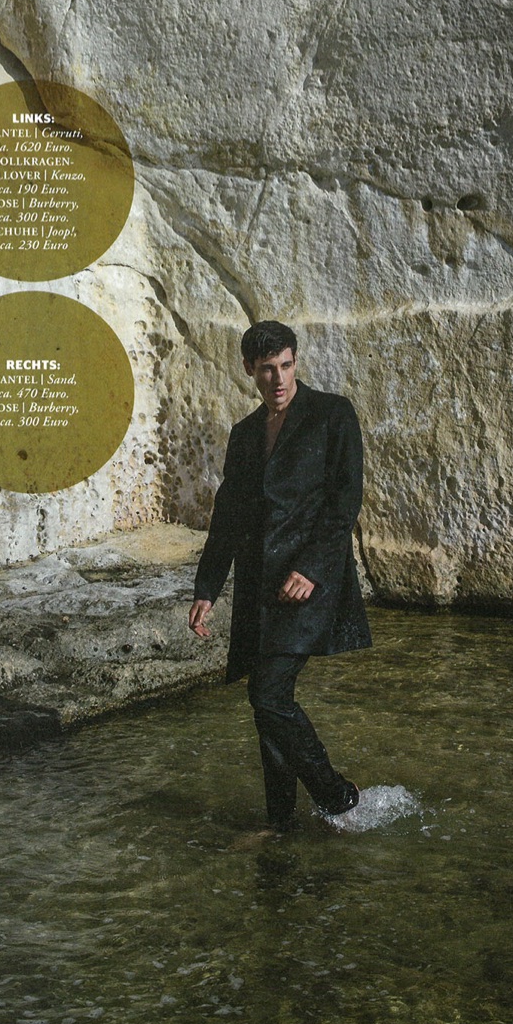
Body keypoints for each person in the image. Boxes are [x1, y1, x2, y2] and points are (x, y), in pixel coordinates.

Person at [188, 320, 372, 831]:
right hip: (260, 587)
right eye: (267, 369)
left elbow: (344, 502)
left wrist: (310, 567)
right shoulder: (245, 434)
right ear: (249, 369)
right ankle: (280, 824)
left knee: (268, 694)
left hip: (311, 582)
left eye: (287, 366)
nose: (279, 379)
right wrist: (207, 589)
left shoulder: (333, 414)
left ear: (296, 362)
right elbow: (228, 516)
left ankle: (337, 795)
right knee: (268, 705)